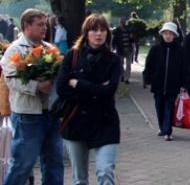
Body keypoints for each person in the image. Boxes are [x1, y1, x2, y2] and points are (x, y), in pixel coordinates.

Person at [55, 13, 121, 184]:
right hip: (76, 119)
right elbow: (62, 89)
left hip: (105, 121)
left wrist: (78, 84)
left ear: (107, 33)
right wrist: (97, 91)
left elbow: (110, 90)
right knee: (79, 177)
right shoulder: (72, 56)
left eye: (102, 30)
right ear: (86, 33)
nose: (98, 34)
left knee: (105, 170)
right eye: (94, 30)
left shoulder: (113, 60)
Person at [0, 9, 64, 184]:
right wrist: (36, 86)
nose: (44, 28)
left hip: (50, 114)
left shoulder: (50, 49)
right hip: (27, 116)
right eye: (40, 25)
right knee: (23, 165)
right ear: (26, 26)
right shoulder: (15, 50)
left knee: (54, 163)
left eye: (45, 24)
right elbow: (11, 79)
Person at [143, 22, 189, 141]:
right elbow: (149, 65)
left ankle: (168, 131)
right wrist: (147, 79)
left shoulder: (180, 50)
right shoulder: (155, 49)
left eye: (170, 34)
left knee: (169, 107)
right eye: (166, 33)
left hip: (173, 85)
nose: (168, 36)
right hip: (158, 84)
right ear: (162, 35)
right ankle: (162, 127)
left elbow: (185, 68)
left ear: (174, 35)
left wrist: (184, 84)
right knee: (159, 107)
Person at [112, 17, 133, 84]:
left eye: (122, 22)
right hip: (120, 50)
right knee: (121, 64)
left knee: (128, 65)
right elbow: (114, 39)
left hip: (128, 49)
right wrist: (113, 46)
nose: (121, 23)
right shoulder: (117, 30)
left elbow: (132, 39)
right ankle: (122, 76)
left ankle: (127, 78)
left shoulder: (128, 29)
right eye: (120, 22)